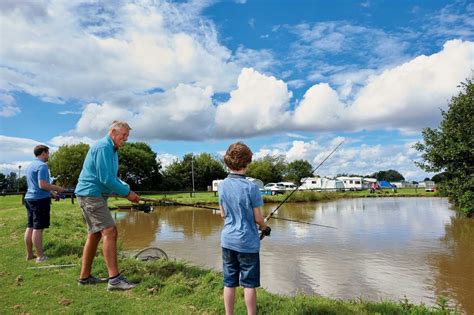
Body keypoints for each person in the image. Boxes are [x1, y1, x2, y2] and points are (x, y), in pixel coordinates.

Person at [75, 121, 140, 291]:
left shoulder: (112, 150)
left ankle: (85, 277)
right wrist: (127, 194)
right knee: (110, 231)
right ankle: (115, 280)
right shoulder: (104, 147)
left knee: (95, 234)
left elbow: (112, 177)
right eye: (123, 135)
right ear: (113, 132)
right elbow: (105, 178)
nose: (125, 139)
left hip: (94, 194)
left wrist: (127, 189)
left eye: (127, 136)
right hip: (91, 194)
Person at [218, 142, 271, 315]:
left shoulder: (222, 185)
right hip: (247, 242)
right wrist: (265, 226)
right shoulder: (252, 187)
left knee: (229, 282)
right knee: (249, 284)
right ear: (247, 162)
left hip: (227, 241)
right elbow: (257, 218)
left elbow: (223, 214)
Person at [24, 145, 65, 263]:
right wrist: (59, 189)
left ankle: (30, 254)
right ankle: (40, 257)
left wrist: (52, 193)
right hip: (39, 201)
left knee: (30, 226)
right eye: (48, 153)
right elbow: (42, 185)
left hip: (29, 199)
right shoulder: (42, 166)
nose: (49, 155)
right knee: (38, 228)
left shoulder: (30, 166)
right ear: (43, 153)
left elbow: (36, 185)